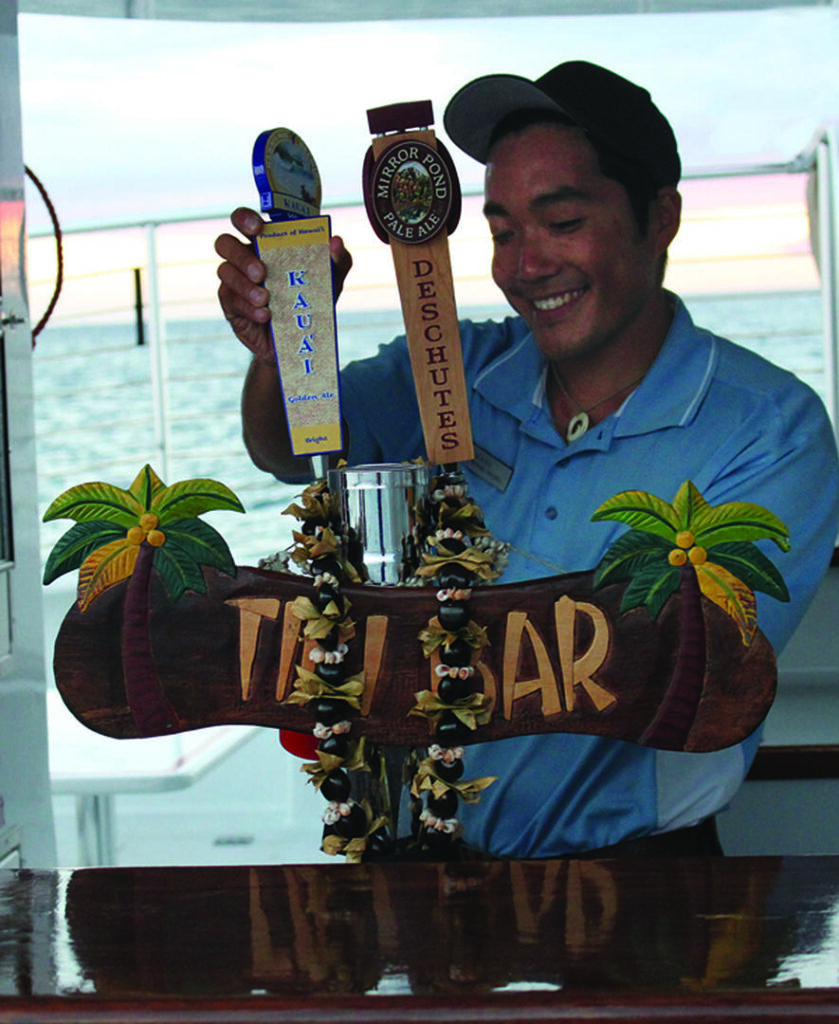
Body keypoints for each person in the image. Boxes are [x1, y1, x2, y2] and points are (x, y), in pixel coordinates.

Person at [215, 60, 839, 859]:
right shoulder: (453, 367)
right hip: (419, 870)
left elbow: (694, 669)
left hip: (637, 883)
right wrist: (286, 350)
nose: (524, 264)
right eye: (502, 231)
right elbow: (286, 451)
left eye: (561, 220)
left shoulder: (768, 428)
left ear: (661, 217)